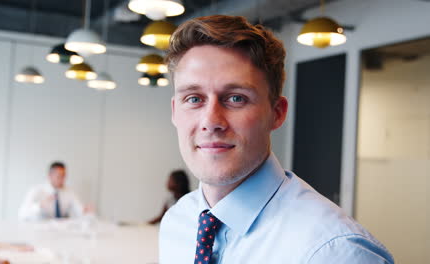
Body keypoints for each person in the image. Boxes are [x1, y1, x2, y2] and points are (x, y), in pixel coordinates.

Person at [159, 15, 394, 264]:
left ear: (277, 113)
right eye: (194, 99)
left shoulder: (334, 252)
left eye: (236, 98)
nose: (211, 121)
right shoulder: (178, 222)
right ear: (175, 111)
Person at [18, 162, 85, 221]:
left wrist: (84, 211)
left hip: (62, 230)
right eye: (58, 176)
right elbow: (22, 215)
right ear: (50, 175)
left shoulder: (69, 192)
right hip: (40, 230)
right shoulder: (36, 191)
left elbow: (79, 210)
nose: (62, 179)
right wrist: (39, 206)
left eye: (64, 176)